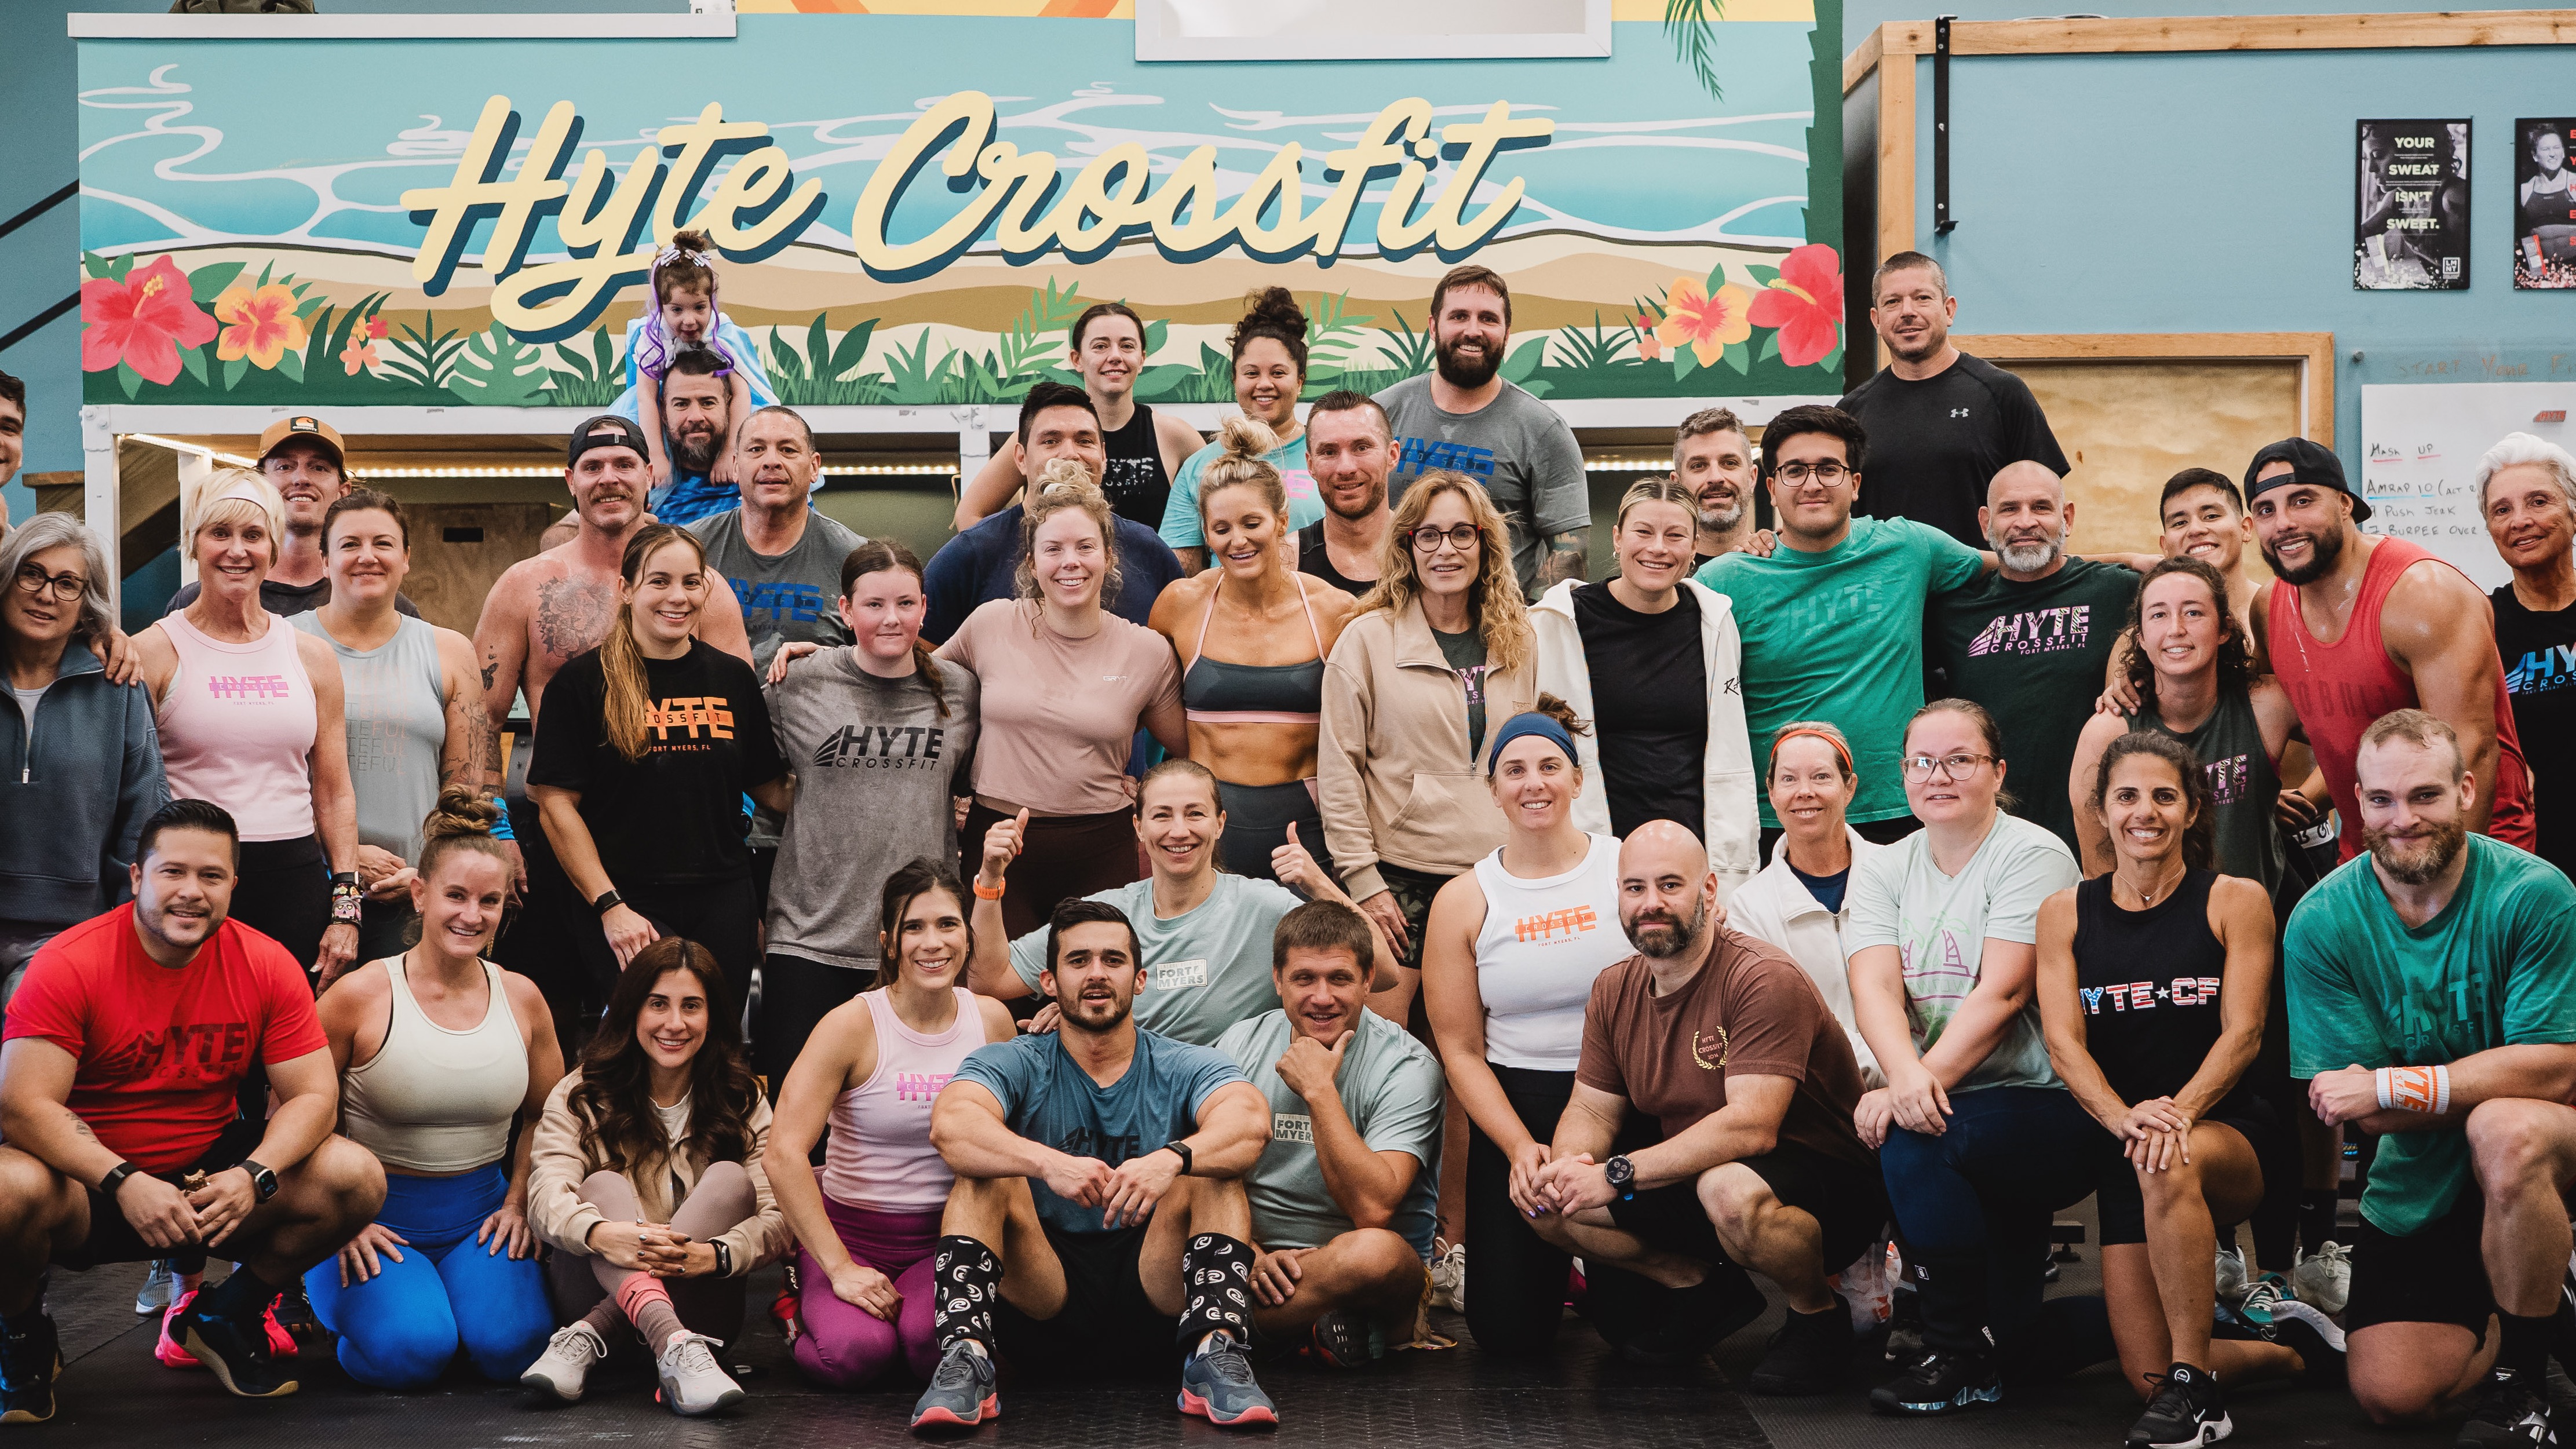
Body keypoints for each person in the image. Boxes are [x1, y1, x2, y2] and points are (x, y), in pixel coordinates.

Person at [0, 799, 386, 1418]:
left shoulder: (265, 962)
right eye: (172, 872)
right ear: (137, 877)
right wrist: (123, 1180)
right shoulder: (68, 963)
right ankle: (23, 1335)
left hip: (206, 1179)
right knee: (6, 1188)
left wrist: (254, 1175)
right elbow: (22, 1106)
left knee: (354, 1175)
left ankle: (223, 1315)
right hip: (90, 1184)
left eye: (211, 875)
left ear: (233, 884)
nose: (191, 891)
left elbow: (315, 1096)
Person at [2038, 733, 2337, 1449]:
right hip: (2130, 1144)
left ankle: (2200, 1397)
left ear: (2193, 808)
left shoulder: (2236, 899)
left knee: (2168, 1159)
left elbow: (2245, 1031)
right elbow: (2064, 1043)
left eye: (2164, 795)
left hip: (2227, 1136)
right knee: (2147, 1372)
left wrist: (2176, 1114)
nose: (2145, 811)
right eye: (2127, 795)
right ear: (2102, 810)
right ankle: (2293, 1350)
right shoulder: (2064, 912)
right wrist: (2124, 1119)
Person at [2285, 710, 2576, 1440]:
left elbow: (2556, 1068)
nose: (2403, 819)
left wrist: (2388, 1083)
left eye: (2425, 795)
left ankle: (2523, 1389)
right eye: (2382, 799)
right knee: (2393, 1396)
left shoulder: (2535, 893)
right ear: (2357, 799)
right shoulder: (2321, 921)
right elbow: (2370, 1119)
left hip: (2550, 1145)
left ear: (2466, 791)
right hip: (2422, 1173)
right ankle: (2527, 1306)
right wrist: (2390, 1098)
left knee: (2504, 1128)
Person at [1528, 820, 1885, 1393]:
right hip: (1700, 1170)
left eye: (1670, 884)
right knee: (1544, 1203)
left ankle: (1817, 1314)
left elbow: (1752, 1126)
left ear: (1710, 890)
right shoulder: (1613, 988)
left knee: (1728, 1189)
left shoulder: (1762, 977)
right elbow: (1592, 1110)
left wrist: (1615, 1173)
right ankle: (1699, 1286)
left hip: (1827, 1181)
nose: (1651, 902)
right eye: (1636, 887)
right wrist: (1570, 1167)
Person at [908, 898, 1280, 1430]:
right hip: (1046, 1299)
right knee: (985, 1173)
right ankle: (966, 1360)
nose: (1097, 973)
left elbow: (1250, 1124)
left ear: (1140, 979)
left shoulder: (1184, 1062)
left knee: (1211, 1170)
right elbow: (951, 1126)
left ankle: (1216, 1355)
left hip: (1158, 1297)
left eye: (1114, 959)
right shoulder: (1016, 1059)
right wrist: (1046, 1163)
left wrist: (1172, 1159)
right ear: (1049, 981)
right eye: (1079, 960)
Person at [1849, 699, 2101, 1415]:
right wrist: (1906, 1076)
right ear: (1903, 774)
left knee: (1913, 1137)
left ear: (1997, 771)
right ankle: (2200, 1321)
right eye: (1923, 762)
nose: (1939, 775)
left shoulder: (2033, 853)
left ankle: (1954, 1348)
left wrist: (1911, 1089)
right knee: (2019, 1348)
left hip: (2043, 1103)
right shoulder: (1885, 865)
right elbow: (1873, 989)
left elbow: (2004, 992)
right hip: (1951, 1100)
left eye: (1960, 759)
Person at [475, 415, 753, 1025]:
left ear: (650, 474)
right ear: (570, 480)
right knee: (547, 1016)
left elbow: (739, 714)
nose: (610, 478)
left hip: (677, 847)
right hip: (556, 833)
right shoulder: (526, 586)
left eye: (625, 464)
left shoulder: (700, 589)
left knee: (681, 1021)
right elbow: (478, 720)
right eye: (593, 466)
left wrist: (734, 818)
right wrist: (495, 831)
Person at [1420, 702, 1667, 1359]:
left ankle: (1628, 1271)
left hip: (1626, 1100)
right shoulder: (1464, 899)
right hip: (1518, 1105)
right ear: (1494, 789)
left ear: (1578, 779)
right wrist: (1518, 1147)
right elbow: (1460, 1050)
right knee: (1508, 1335)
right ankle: (1561, 1268)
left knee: (1639, 1331)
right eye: (1515, 770)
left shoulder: (1626, 867)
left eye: (1550, 766)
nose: (1534, 783)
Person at [305, 787, 563, 1390]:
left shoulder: (523, 997)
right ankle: (382, 1317)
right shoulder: (357, 996)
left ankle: (450, 1304)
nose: (472, 915)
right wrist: (341, 1220)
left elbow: (548, 1116)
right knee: (414, 1353)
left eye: (489, 900)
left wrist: (518, 1200)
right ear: (420, 893)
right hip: (370, 1221)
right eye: (456, 895)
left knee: (515, 1349)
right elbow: (292, 1112)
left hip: (482, 1217)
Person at [1694, 406, 1993, 855]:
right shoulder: (1724, 581)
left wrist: (2115, 572)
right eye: (1795, 470)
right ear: (1771, 488)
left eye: (1829, 469)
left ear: (1855, 484)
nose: (1812, 484)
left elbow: (2024, 565)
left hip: (1897, 812)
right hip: (1777, 819)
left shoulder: (1909, 547)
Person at [763, 859, 1016, 1389]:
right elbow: (783, 1152)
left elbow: (1013, 1139)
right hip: (851, 1236)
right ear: (889, 942)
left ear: (967, 937)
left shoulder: (992, 1020)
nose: (933, 942)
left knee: (930, 1347)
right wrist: (839, 1268)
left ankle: (904, 1330)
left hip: (946, 1234)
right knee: (856, 1354)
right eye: (914, 927)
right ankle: (796, 1310)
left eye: (947, 924)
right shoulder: (851, 1025)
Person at [520, 939, 791, 1417]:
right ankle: (668, 1341)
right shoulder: (582, 1091)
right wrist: (601, 1234)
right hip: (592, 1287)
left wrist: (713, 1254)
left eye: (692, 1006)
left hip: (701, 1315)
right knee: (602, 1187)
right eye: (658, 1004)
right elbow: (544, 1195)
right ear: (632, 1010)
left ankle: (600, 1332)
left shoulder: (743, 1097)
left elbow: (779, 1216)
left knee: (731, 1180)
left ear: (713, 1016)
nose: (675, 1023)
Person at [527, 524, 790, 1014]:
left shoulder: (732, 678)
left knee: (716, 1036)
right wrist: (610, 906)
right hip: (626, 897)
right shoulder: (582, 683)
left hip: (723, 894)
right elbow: (555, 806)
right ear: (626, 590)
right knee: (654, 1031)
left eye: (691, 582)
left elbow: (772, 789)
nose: (678, 597)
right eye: (660, 581)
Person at [757, 541, 980, 1094]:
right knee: (799, 1114)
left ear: (924, 607)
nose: (891, 619)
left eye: (905, 604)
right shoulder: (798, 683)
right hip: (810, 936)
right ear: (846, 609)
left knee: (915, 1114)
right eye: (874, 605)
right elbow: (754, 775)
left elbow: (972, 783)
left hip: (920, 940)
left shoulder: (961, 690)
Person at [968, 759, 1390, 1046]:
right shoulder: (1107, 915)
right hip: (1130, 1091)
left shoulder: (1263, 906)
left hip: (1230, 1097)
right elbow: (990, 980)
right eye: (1162, 815)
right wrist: (990, 878)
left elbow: (1384, 972)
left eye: (1195, 813)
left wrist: (1319, 885)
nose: (1179, 830)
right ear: (1139, 827)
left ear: (1220, 823)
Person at [2249, 437, 2535, 856]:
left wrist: (2451, 882)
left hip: (2473, 848)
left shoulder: (2424, 596)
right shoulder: (2269, 609)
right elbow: (2338, 727)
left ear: (2345, 504)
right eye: (2265, 510)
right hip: (2369, 848)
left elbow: (2471, 751)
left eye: (2302, 501)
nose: (2283, 523)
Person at [939, 465, 1187, 939]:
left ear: (1109, 556)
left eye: (1085, 547)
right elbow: (917, 687)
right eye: (1053, 549)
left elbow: (1193, 750)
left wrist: (1152, 797)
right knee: (993, 981)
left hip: (1102, 847)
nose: (1070, 562)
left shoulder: (1147, 651)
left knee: (1096, 982)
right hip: (999, 844)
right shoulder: (990, 624)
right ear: (1032, 564)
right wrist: (828, 660)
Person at [133, 470, 362, 982]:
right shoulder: (153, 651)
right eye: (220, 532)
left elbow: (334, 791)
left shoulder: (312, 656)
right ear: (194, 542)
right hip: (190, 883)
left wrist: (346, 904)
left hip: (294, 879)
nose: (237, 550)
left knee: (286, 1028)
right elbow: (124, 791)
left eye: (253, 535)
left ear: (273, 547)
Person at [1320, 473, 1539, 999]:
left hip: (1496, 874)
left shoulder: (1519, 638)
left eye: (1462, 533)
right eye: (1429, 535)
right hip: (1400, 879)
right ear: (1408, 546)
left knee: (1475, 1038)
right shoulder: (1366, 640)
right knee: (1392, 1038)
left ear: (1485, 544)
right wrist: (1363, 880)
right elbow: (1339, 769)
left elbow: (1528, 759)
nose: (1446, 549)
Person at [1218, 899, 1443, 1363]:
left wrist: (1320, 1091)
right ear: (1278, 979)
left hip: (1355, 1261)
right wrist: (1252, 1254)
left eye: (1339, 978)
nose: (1322, 997)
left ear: (1367, 979)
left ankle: (1232, 1323)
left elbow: (1373, 1208)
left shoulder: (1407, 1065)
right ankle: (1309, 1325)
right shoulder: (1240, 1043)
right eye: (1304, 978)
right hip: (1256, 1256)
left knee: (1374, 1255)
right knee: (1175, 1174)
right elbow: (1210, 1173)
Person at [1151, 416, 1360, 881]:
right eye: (1221, 528)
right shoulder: (1180, 606)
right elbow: (1141, 697)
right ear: (1206, 532)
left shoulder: (1334, 611)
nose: (1238, 540)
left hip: (1308, 834)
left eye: (1252, 523)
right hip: (1206, 835)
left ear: (1281, 522)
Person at [293, 490, 490, 965]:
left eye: (383, 543)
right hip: (307, 882)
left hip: (415, 893)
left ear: (406, 558)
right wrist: (344, 855)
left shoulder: (450, 651)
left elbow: (465, 789)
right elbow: (266, 777)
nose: (367, 556)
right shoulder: (284, 642)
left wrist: (429, 872)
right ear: (324, 561)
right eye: (349, 544)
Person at [1532, 476, 1757, 886]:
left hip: (1693, 853)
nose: (1658, 548)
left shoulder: (1714, 622)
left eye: (1675, 536)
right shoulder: (1559, 622)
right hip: (1593, 852)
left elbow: (1727, 749)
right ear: (1618, 538)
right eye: (1643, 532)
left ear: (1694, 547)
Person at [685, 404, 864, 905]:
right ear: (735, 464)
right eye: (756, 450)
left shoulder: (854, 559)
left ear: (815, 465)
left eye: (788, 450)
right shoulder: (691, 550)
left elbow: (885, 672)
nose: (771, 461)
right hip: (705, 796)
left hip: (812, 801)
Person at [1929, 461, 2141, 853]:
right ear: (1986, 522)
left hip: (2098, 835)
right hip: (1987, 840)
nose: (2025, 522)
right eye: (2010, 509)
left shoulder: (2118, 591)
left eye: (2041, 507)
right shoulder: (1951, 612)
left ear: (2067, 518)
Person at [0, 514, 166, 1009]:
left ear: (85, 605)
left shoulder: (118, 688)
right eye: (32, 574)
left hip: (71, 934)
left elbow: (143, 821)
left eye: (67, 583)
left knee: (32, 1048)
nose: (46, 594)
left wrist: (127, 930)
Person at [2072, 557, 2297, 894]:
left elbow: (2354, 736)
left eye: (2193, 613)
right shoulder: (2107, 732)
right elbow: (2098, 870)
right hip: (2153, 921)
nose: (2176, 629)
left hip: (2262, 915)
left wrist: (2309, 796)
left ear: (2224, 629)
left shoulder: (2269, 704)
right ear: (2141, 637)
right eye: (2158, 615)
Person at [1377, 266, 1589, 597]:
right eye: (1459, 316)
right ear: (1433, 326)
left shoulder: (1545, 431)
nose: (1473, 331)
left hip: (1500, 621)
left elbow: (1570, 553)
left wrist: (1529, 617)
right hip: (1394, 612)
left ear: (1507, 333)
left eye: (1488, 319)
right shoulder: (1381, 415)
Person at [922, 384, 1186, 645]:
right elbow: (920, 661)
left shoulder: (1150, 551)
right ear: (1021, 458)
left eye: (1085, 441)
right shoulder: (970, 554)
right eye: (1051, 441)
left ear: (1104, 456)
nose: (1070, 454)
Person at [1838, 253, 2068, 548]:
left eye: (1922, 298)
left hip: (1985, 577)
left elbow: (2044, 510)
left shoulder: (2002, 393)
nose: (1907, 312)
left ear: (1949, 310)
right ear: (1877, 320)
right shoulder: (1851, 412)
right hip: (1887, 578)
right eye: (1892, 302)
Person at [953, 302, 1204, 531]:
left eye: (1127, 346)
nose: (1115, 356)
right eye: (1100, 346)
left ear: (1142, 359)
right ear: (1077, 359)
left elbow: (1217, 513)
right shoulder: (1038, 436)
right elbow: (970, 514)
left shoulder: (1175, 436)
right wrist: (1023, 560)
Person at [1727, 722, 1882, 1082]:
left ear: (1849, 787)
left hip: (1927, 1082)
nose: (1804, 792)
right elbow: (1784, 1020)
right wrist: (1884, 1076)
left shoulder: (1898, 872)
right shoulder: (1749, 908)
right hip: (1825, 1093)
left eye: (1821, 777)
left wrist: (1911, 1077)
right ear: (1771, 792)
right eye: (1788, 779)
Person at [163, 415, 424, 619]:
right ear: (259, 483)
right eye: (285, 467)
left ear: (343, 492)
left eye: (318, 467)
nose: (301, 479)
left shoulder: (388, 606)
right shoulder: (194, 602)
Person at [615, 231, 775, 524]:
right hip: (662, 410)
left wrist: (729, 452)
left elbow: (741, 393)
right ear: (661, 307)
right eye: (677, 310)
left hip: (730, 412)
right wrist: (656, 455)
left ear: (712, 302)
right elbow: (646, 397)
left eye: (699, 308)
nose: (689, 321)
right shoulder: (653, 338)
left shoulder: (723, 335)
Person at [1159, 288, 1322, 573]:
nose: (1264, 384)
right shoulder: (1199, 465)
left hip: (1315, 598)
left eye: (1278, 373)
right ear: (1235, 380)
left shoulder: (1327, 456)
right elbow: (1182, 571)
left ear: (1300, 382)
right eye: (1251, 373)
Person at [2479, 432, 2576, 878]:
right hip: (2527, 864)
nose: (2520, 521)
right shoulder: (2478, 625)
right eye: (2502, 510)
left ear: (2572, 511)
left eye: (2539, 501)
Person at [1296, 390, 1397, 598]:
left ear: (1392, 455)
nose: (1346, 468)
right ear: (1311, 465)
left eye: (1361, 448)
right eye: (1329, 452)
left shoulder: (1431, 550)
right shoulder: (1286, 560)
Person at [2156, 468, 2264, 634]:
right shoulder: (2148, 633)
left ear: (2245, 528)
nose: (2195, 530)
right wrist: (2130, 560)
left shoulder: (2282, 610)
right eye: (2180, 523)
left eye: (2211, 516)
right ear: (2165, 547)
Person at [1674, 407, 1762, 565]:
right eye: (1699, 465)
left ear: (1752, 478)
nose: (1715, 478)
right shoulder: (1659, 574)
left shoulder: (1779, 568)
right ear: (1677, 484)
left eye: (1729, 463)